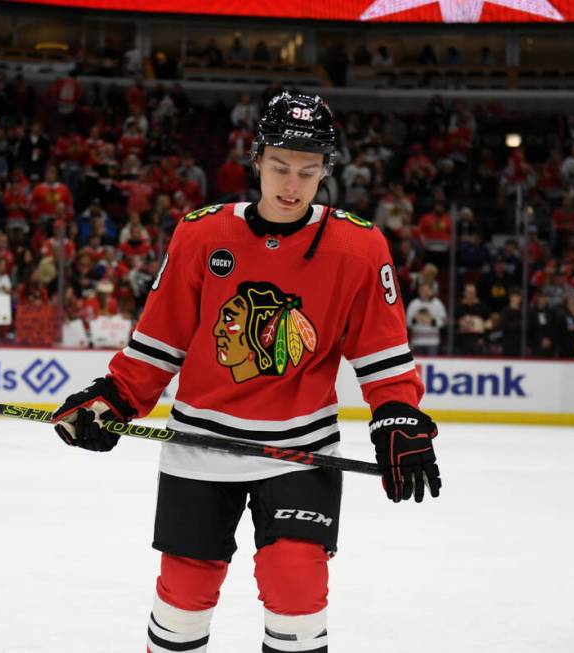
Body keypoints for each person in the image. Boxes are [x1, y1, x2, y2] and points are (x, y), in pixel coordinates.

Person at [50, 92, 441, 653]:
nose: (292, 184)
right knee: (183, 598)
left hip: (300, 449)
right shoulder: (201, 234)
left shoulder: (359, 246)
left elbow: (382, 354)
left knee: (296, 588)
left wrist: (398, 415)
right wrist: (114, 398)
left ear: (326, 171)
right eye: (280, 166)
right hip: (200, 443)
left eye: (309, 172)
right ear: (255, 159)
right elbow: (161, 340)